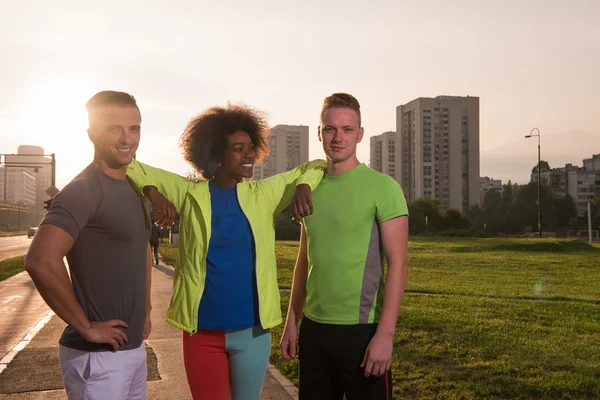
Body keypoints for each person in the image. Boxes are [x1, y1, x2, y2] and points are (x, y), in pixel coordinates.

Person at [126, 104, 326, 400]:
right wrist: (152, 191)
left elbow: (316, 166)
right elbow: (130, 164)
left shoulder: (263, 194)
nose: (248, 155)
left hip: (253, 333)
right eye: (238, 148)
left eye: (250, 148)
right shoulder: (188, 193)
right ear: (217, 154)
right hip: (201, 334)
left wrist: (303, 186)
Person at [24, 91, 172, 400]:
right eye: (114, 128)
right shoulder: (84, 190)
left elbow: (142, 247)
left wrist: (144, 306)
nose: (126, 138)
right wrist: (86, 326)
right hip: (96, 358)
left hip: (130, 350)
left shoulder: (134, 188)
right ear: (92, 133)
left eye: (134, 128)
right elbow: (41, 260)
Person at [279, 93, 409, 400]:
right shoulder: (310, 188)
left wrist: (385, 335)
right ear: (320, 131)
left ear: (360, 134)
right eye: (330, 129)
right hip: (314, 331)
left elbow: (399, 265)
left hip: (362, 333)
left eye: (347, 129)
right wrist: (292, 321)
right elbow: (304, 260)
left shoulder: (383, 188)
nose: (338, 138)